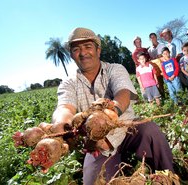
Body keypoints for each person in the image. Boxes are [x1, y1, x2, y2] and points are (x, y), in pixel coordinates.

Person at [51, 27, 175, 184]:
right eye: (76, 49)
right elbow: (64, 107)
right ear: (71, 55)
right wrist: (62, 124)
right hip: (97, 145)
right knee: (93, 181)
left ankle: (169, 177)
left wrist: (111, 113)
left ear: (98, 50)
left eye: (88, 47)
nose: (83, 53)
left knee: (150, 130)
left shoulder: (115, 69)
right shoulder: (68, 84)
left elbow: (123, 92)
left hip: (128, 130)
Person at [147, 32, 166, 98]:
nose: (153, 39)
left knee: (168, 80)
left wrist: (160, 56)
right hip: (157, 68)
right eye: (151, 38)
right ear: (150, 39)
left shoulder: (162, 45)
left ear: (156, 37)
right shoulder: (149, 50)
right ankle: (163, 97)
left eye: (154, 37)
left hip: (164, 66)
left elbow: (166, 54)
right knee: (160, 83)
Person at [132, 36, 150, 100]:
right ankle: (147, 101)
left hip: (149, 70)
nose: (138, 43)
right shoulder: (134, 53)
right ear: (134, 44)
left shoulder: (145, 50)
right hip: (141, 72)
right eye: (137, 42)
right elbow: (138, 63)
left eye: (139, 41)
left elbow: (149, 59)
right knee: (143, 87)